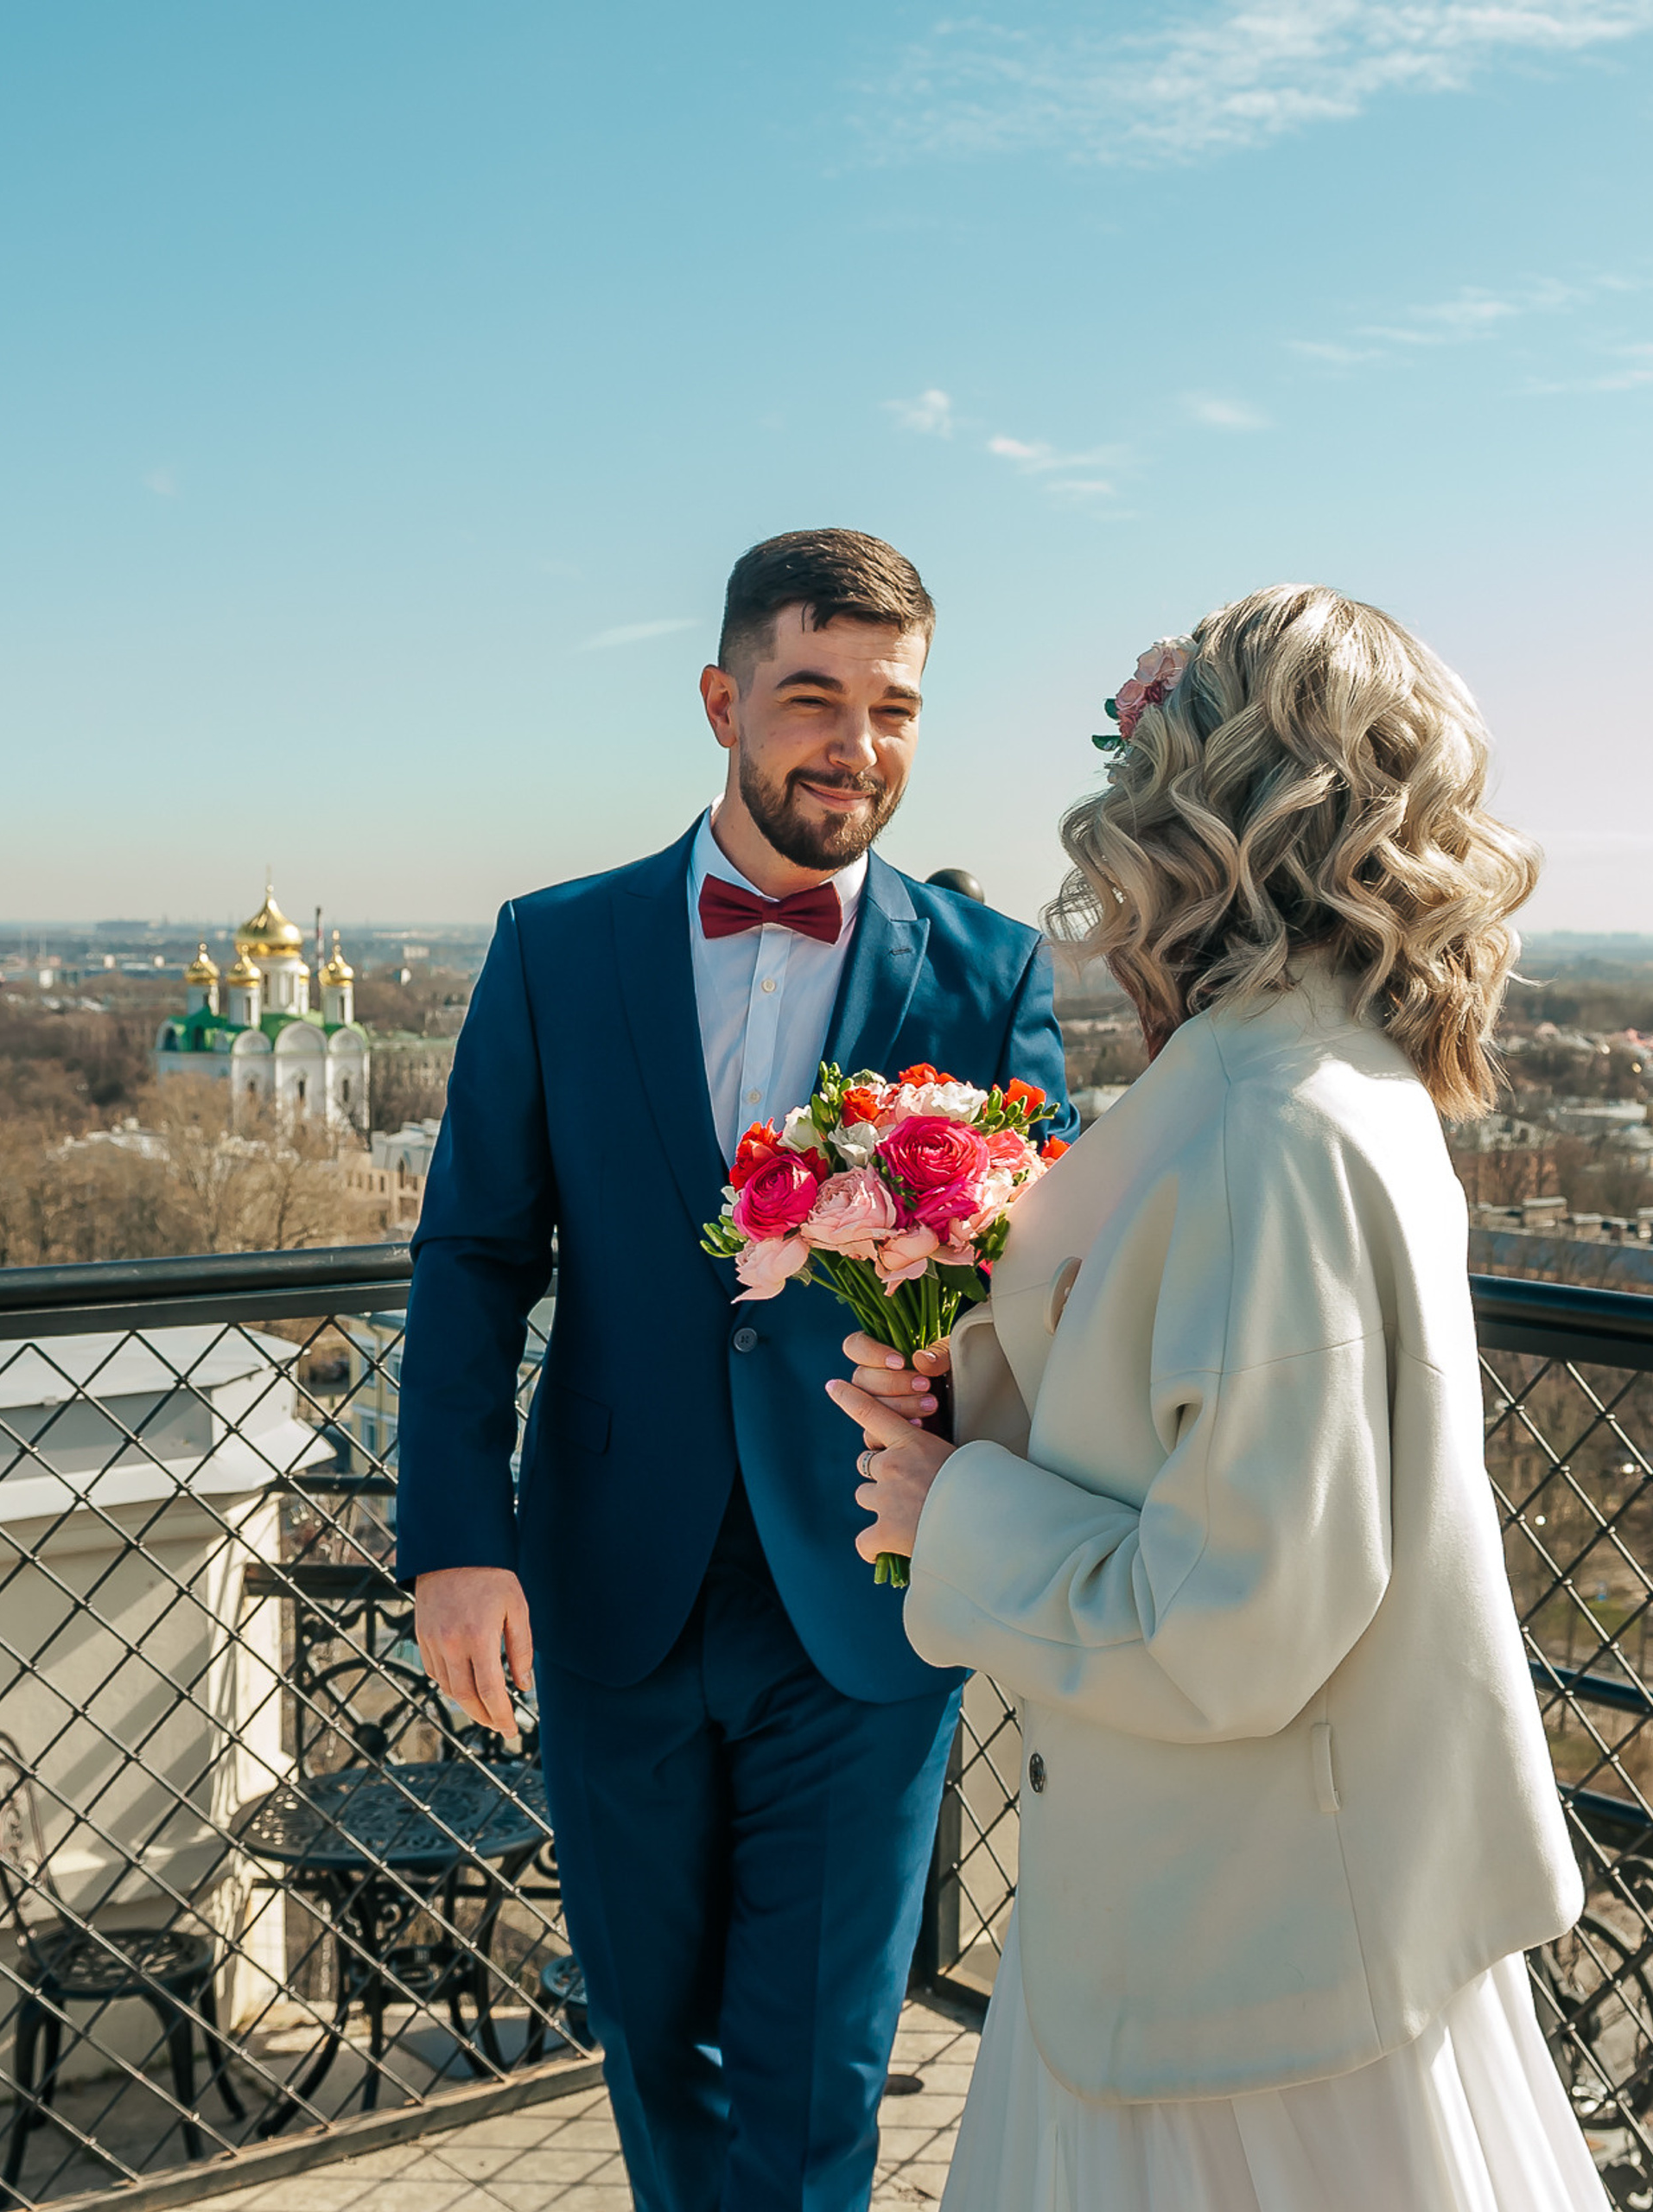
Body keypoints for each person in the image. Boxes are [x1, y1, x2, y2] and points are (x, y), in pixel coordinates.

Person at [830, 585, 1605, 2210]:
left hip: (1242, 1970)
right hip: (1275, 1905)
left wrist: (955, 1510)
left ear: (1200, 815)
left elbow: (1234, 1622)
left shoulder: (1272, 1124)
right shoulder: (1327, 1077)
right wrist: (987, 1405)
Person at [395, 528, 1075, 2212]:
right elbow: (475, 1254)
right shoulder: (556, 945)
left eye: (893, 709)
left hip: (863, 1587)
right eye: (813, 697)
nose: (857, 744)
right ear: (721, 702)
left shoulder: (986, 970)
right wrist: (456, 1540)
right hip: (610, 1583)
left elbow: (1042, 1279)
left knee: (818, 2065)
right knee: (651, 2038)